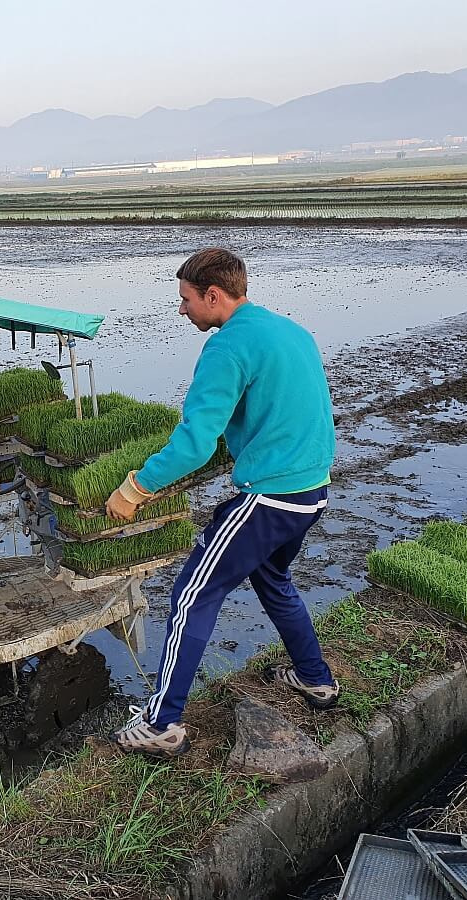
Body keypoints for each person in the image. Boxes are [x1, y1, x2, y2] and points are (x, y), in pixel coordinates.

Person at [104, 248, 339, 758]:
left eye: (186, 300)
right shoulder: (290, 330)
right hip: (312, 488)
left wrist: (134, 490)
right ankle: (315, 679)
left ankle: (162, 723)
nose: (182, 310)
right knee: (274, 582)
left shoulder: (227, 347)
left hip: (272, 496)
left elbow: (194, 441)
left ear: (214, 295)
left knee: (190, 597)